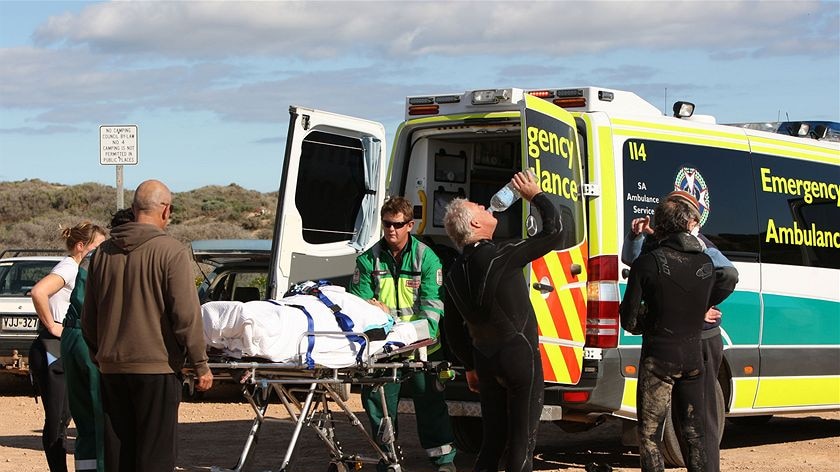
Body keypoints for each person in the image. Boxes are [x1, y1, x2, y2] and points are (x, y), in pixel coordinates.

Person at [82, 180, 213, 472]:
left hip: (112, 369)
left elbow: (88, 318)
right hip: (158, 368)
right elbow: (186, 316)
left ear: (133, 209)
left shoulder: (102, 254)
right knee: (154, 456)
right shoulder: (172, 251)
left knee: (118, 455)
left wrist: (100, 354)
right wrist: (200, 363)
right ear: (166, 210)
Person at [442, 170, 563, 472]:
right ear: (474, 223)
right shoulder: (499, 255)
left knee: (492, 442)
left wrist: (469, 365)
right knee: (521, 443)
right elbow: (555, 233)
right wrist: (536, 196)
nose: (486, 207)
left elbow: (452, 327)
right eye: (479, 208)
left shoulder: (454, 271)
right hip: (518, 357)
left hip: (485, 360)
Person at [621, 190, 738, 472]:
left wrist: (662, 315)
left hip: (667, 351)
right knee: (695, 431)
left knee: (652, 434)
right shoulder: (701, 262)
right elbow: (632, 258)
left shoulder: (681, 255)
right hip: (692, 354)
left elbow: (630, 319)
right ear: (688, 222)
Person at [348, 196, 457, 472]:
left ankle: (444, 462)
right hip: (383, 352)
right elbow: (360, 309)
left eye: (397, 224)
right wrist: (385, 322)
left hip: (423, 349)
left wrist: (388, 318)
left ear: (410, 224)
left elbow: (432, 311)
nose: (391, 230)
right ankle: (388, 460)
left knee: (432, 407)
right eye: (386, 224)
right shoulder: (367, 261)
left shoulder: (427, 259)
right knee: (380, 410)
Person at [29, 222, 107, 472]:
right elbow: (38, 291)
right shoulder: (70, 267)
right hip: (53, 346)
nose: (102, 252)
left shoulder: (83, 268)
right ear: (81, 246)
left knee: (68, 414)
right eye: (97, 247)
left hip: (66, 345)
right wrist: (53, 325)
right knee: (58, 419)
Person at [61, 209, 133, 472]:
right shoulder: (106, 258)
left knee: (83, 420)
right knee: (100, 414)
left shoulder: (88, 260)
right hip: (87, 335)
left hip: (71, 335)